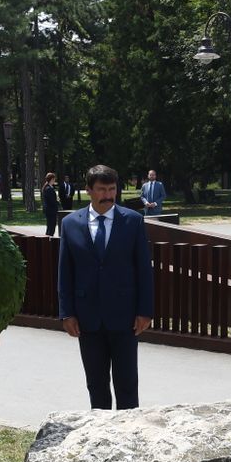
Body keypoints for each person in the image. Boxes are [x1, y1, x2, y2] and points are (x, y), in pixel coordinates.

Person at [57, 164, 153, 409]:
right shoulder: (70, 223)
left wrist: (145, 311)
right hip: (87, 318)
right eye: (102, 189)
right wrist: (67, 312)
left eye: (112, 189)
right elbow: (65, 272)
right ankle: (99, 437)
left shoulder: (132, 221)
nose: (108, 195)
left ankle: (128, 437)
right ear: (88, 190)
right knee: (96, 385)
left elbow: (144, 269)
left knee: (127, 384)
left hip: (125, 317)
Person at [42, 172, 60, 237]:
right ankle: (49, 240)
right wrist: (57, 201)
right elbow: (52, 201)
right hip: (51, 210)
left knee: (50, 226)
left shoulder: (48, 187)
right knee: (51, 226)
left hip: (50, 210)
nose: (54, 180)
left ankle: (48, 239)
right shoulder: (48, 189)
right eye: (54, 179)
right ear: (51, 179)